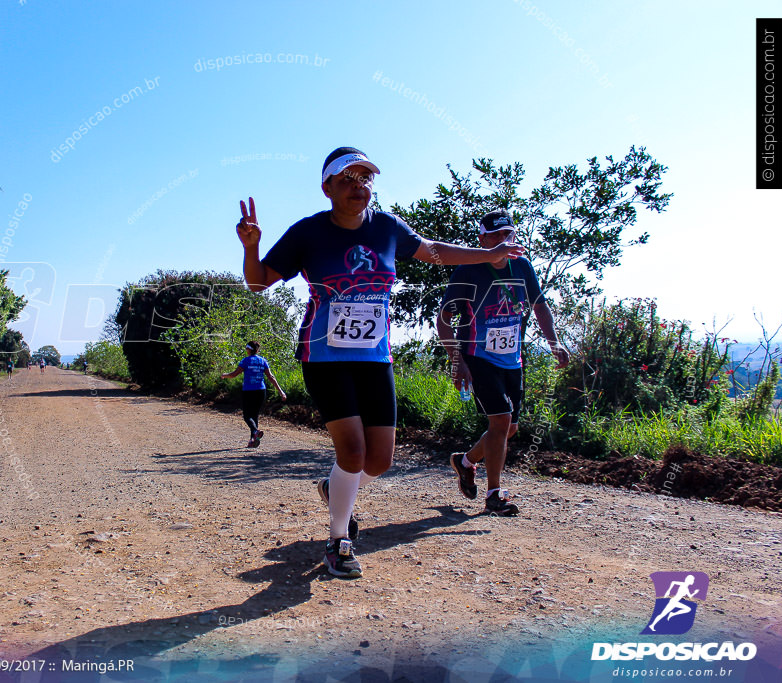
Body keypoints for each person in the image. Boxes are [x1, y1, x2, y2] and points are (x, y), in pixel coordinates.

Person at [236, 147, 524, 578]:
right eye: (347, 179)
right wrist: (252, 247)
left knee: (380, 461)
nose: (359, 186)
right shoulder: (308, 233)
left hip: (375, 358)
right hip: (325, 357)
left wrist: (487, 254)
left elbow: (435, 250)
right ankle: (338, 541)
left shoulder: (388, 228)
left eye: (365, 178)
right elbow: (259, 282)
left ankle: (334, 489)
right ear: (327, 187)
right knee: (352, 452)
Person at [437, 209, 569, 516]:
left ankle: (465, 461)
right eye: (495, 236)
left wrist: (554, 341)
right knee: (500, 421)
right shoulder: (467, 270)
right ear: (481, 240)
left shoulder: (522, 266)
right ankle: (494, 495)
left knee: (509, 428)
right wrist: (457, 361)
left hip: (512, 359)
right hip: (478, 356)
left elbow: (540, 306)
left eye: (507, 234)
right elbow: (444, 319)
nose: (502, 240)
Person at [220, 341, 287, 448]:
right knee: (254, 415)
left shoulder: (245, 361)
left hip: (249, 391)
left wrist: (224, 375)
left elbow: (234, 374)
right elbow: (271, 377)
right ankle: (253, 440)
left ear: (248, 349)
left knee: (247, 416)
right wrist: (281, 391)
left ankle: (255, 432)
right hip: (261, 391)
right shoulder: (263, 361)